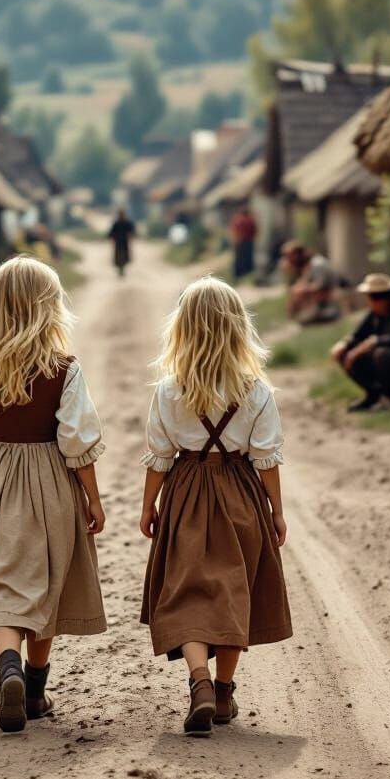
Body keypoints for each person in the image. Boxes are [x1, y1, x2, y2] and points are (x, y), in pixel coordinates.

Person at [0, 256, 107, 733]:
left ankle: (8, 664)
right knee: (47, 581)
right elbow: (77, 442)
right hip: (51, 479)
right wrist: (93, 498)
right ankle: (34, 689)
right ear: (49, 308)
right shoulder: (66, 369)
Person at [139, 277, 292, 737]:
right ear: (237, 328)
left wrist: (148, 506)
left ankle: (199, 682)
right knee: (232, 593)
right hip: (240, 493)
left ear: (182, 329)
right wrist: (276, 510)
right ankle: (224, 690)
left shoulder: (169, 391)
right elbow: (266, 458)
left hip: (186, 491)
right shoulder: (256, 391)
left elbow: (159, 456)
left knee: (187, 593)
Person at [330, 273, 390, 412]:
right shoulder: (376, 312)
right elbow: (358, 334)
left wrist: (375, 341)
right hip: (383, 361)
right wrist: (344, 345)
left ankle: (389, 397)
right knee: (345, 353)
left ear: (381, 298)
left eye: (370, 298)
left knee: (382, 354)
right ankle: (373, 395)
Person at [281, 242, 341, 323]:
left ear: (297, 255)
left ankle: (312, 314)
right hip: (324, 294)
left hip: (332, 294)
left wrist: (303, 289)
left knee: (299, 291)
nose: (287, 260)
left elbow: (321, 285)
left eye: (289, 257)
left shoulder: (317, 264)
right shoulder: (308, 265)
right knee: (297, 289)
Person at [228, 206, 258, 281]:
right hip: (248, 242)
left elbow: (233, 230)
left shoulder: (237, 220)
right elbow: (255, 230)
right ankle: (247, 273)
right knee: (247, 258)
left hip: (239, 242)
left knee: (239, 258)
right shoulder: (250, 220)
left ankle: (238, 275)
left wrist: (235, 240)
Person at [107, 208, 136, 278]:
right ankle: (120, 269)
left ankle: (122, 269)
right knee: (119, 257)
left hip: (124, 242)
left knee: (124, 256)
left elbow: (132, 231)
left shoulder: (126, 223)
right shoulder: (117, 223)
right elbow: (111, 233)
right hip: (119, 242)